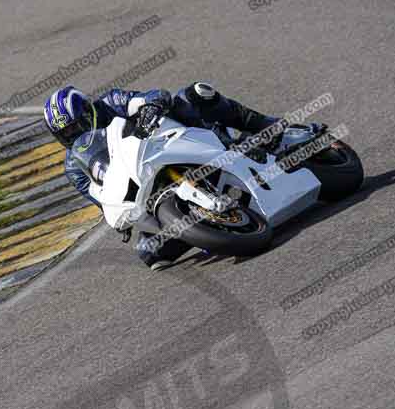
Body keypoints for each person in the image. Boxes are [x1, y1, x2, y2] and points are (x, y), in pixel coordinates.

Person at [43, 82, 281, 270]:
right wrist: (121, 220)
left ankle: (253, 129)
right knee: (148, 251)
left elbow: (154, 95)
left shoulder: (110, 102)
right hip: (142, 186)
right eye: (66, 133)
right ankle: (205, 226)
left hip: (165, 144)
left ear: (88, 112)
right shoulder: (74, 167)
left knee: (193, 94)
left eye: (75, 126)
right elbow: (99, 197)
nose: (73, 135)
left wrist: (151, 106)